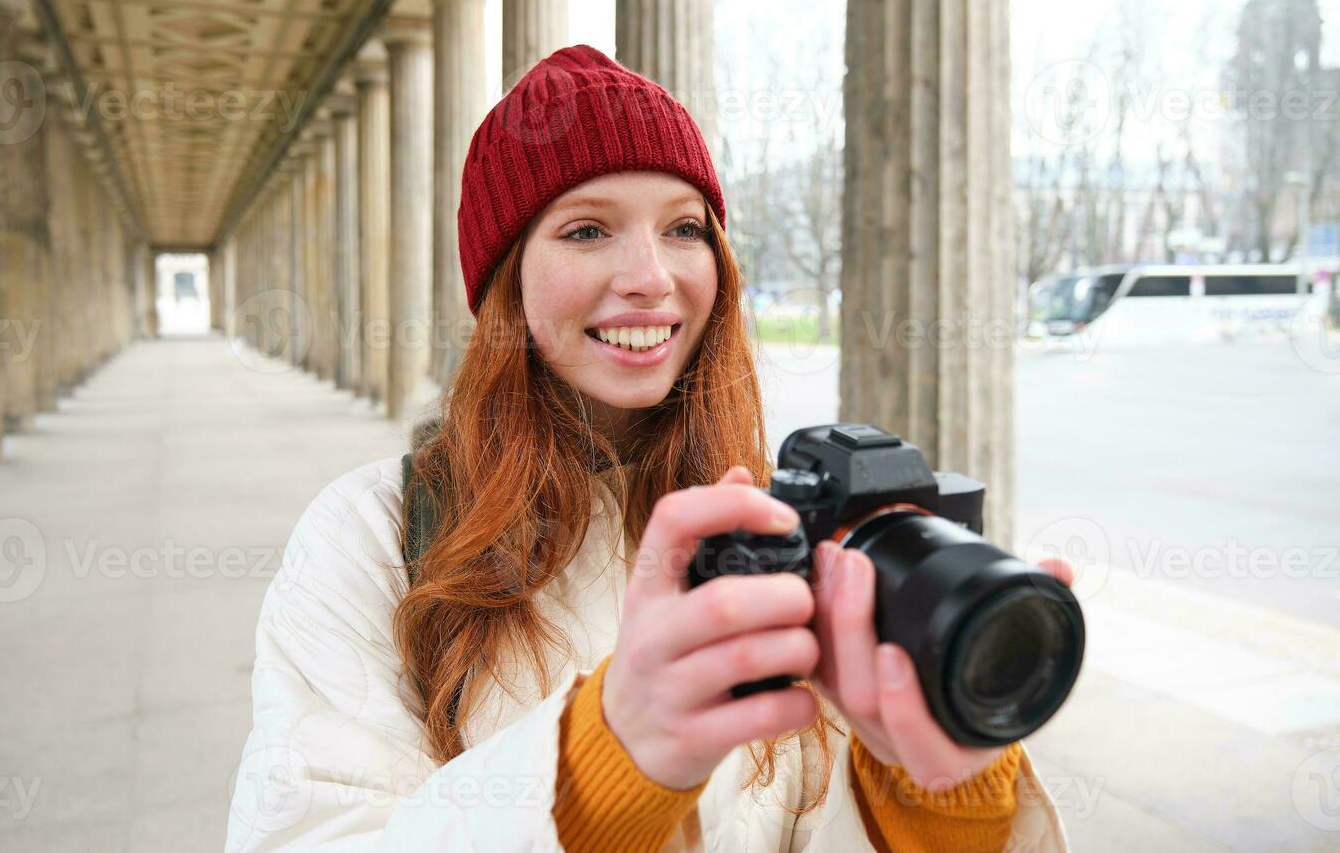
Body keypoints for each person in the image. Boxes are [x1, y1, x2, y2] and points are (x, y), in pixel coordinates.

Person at [226, 45, 1074, 852]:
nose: (650, 276)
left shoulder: (776, 525)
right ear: (504, 283)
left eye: (684, 229)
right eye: (587, 230)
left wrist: (939, 797)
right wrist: (602, 761)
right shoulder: (366, 535)